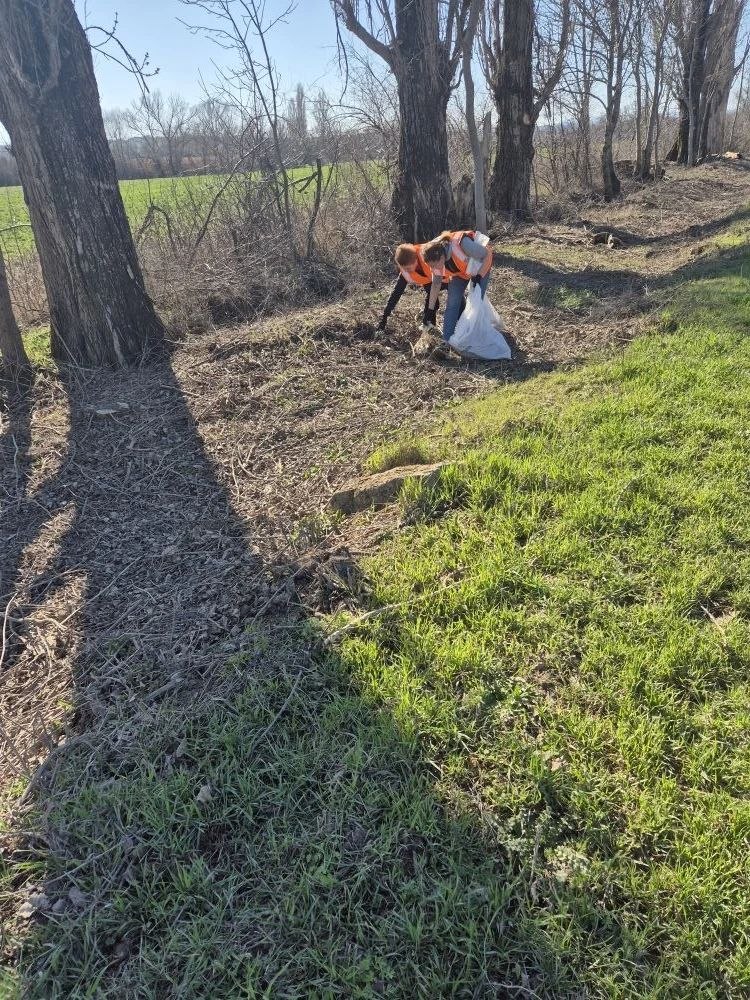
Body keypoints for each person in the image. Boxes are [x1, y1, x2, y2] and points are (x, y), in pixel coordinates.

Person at [422, 230, 493, 344]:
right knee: (452, 303)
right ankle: (447, 340)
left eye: (433, 265)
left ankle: (475, 335)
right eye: (430, 266)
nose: (432, 269)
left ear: (441, 257)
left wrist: (479, 275)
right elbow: (435, 285)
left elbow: (487, 254)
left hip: (480, 266)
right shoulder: (435, 259)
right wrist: (430, 311)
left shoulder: (463, 245)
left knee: (476, 302)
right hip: (460, 273)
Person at [377, 243, 446, 331]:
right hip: (431, 283)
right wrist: (385, 316)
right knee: (431, 306)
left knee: (455, 303)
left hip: (449, 278)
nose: (407, 271)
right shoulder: (405, 271)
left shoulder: (430, 256)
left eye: (408, 268)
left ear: (416, 260)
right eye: (404, 269)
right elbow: (396, 293)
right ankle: (430, 328)